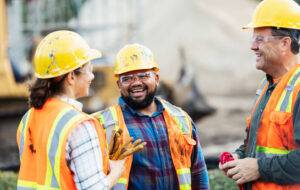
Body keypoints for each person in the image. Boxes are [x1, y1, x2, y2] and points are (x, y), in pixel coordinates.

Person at [16, 30, 145, 190]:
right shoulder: (79, 126)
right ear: (71, 77)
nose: (92, 76)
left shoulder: (28, 118)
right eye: (89, 70)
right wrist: (116, 169)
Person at [93, 43, 209, 190]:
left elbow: (198, 172)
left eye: (143, 75)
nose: (136, 83)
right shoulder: (103, 125)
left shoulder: (180, 118)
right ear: (118, 85)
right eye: (127, 78)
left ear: (157, 78)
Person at [219, 0, 300, 189]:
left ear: (285, 43)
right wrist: (239, 156)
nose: (253, 47)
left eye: (260, 39)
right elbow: (261, 145)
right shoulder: (267, 85)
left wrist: (258, 167)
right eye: (253, 39)